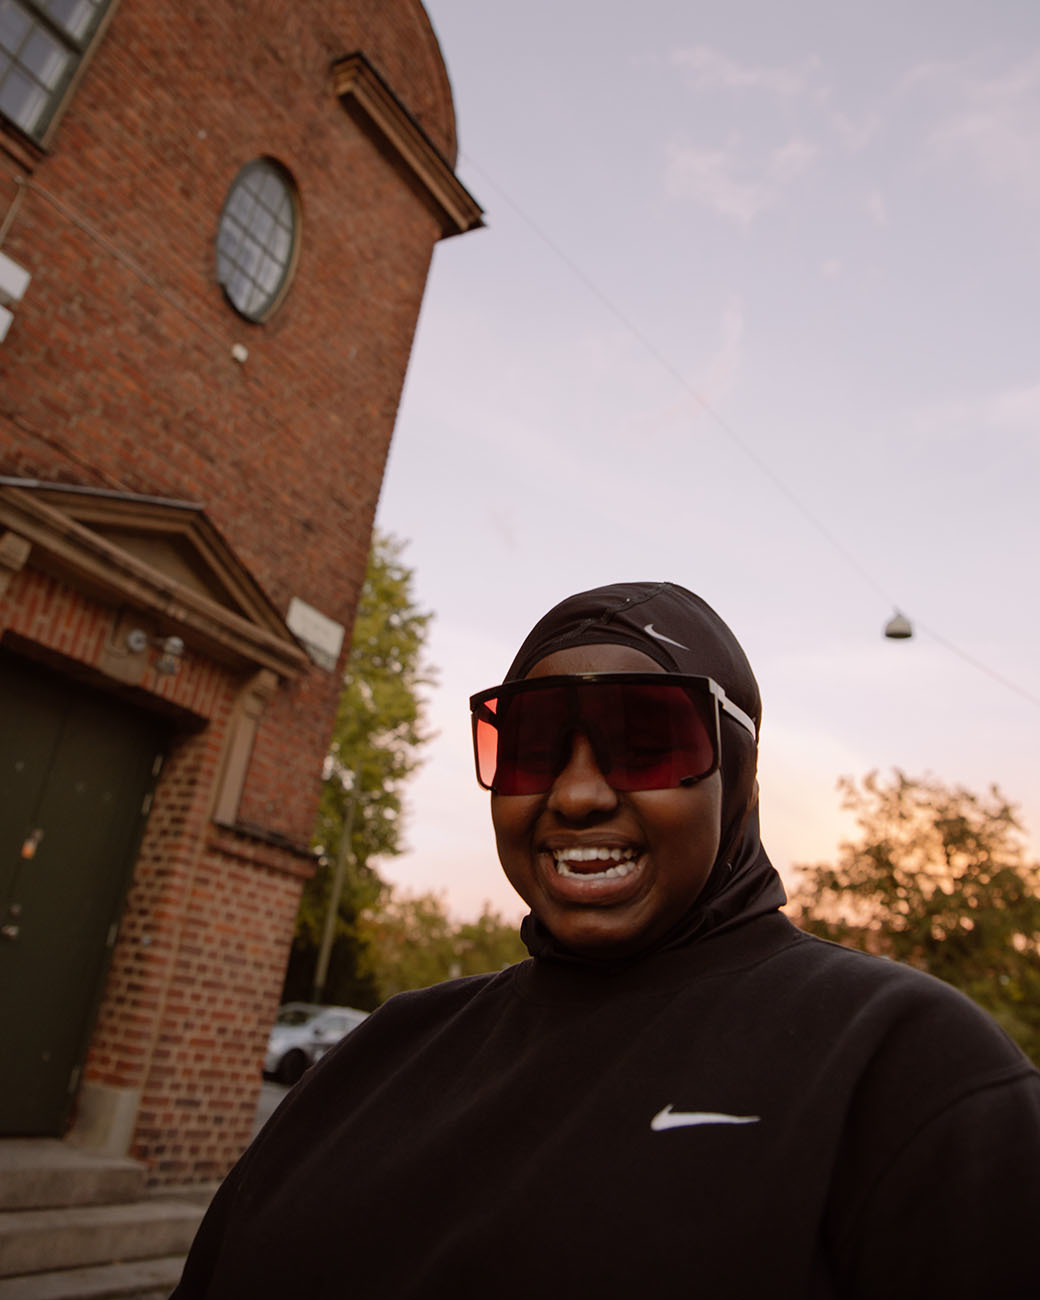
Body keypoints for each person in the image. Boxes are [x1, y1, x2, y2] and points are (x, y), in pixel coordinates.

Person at [173, 581, 1040, 1299]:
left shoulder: (905, 1065)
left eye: (646, 742)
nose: (578, 793)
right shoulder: (382, 1054)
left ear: (738, 782)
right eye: (533, 747)